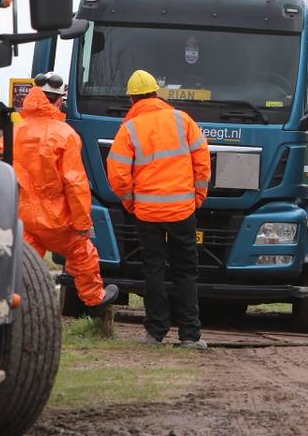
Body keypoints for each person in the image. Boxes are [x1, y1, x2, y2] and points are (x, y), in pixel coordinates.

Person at [106, 69, 211, 348]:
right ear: (157, 94)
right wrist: (197, 196)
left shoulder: (129, 129)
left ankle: (155, 333)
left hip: (147, 213)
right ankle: (190, 335)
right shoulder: (182, 120)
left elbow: (117, 174)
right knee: (186, 271)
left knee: (153, 269)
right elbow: (202, 161)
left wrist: (131, 202)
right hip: (182, 211)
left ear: (132, 99)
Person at [11, 73, 117, 314]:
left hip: (23, 216)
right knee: (83, 253)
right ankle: (95, 300)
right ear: (59, 101)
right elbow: (75, 183)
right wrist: (82, 222)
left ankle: (18, 306)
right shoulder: (65, 134)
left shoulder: (17, 131)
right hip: (58, 219)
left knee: (22, 265)